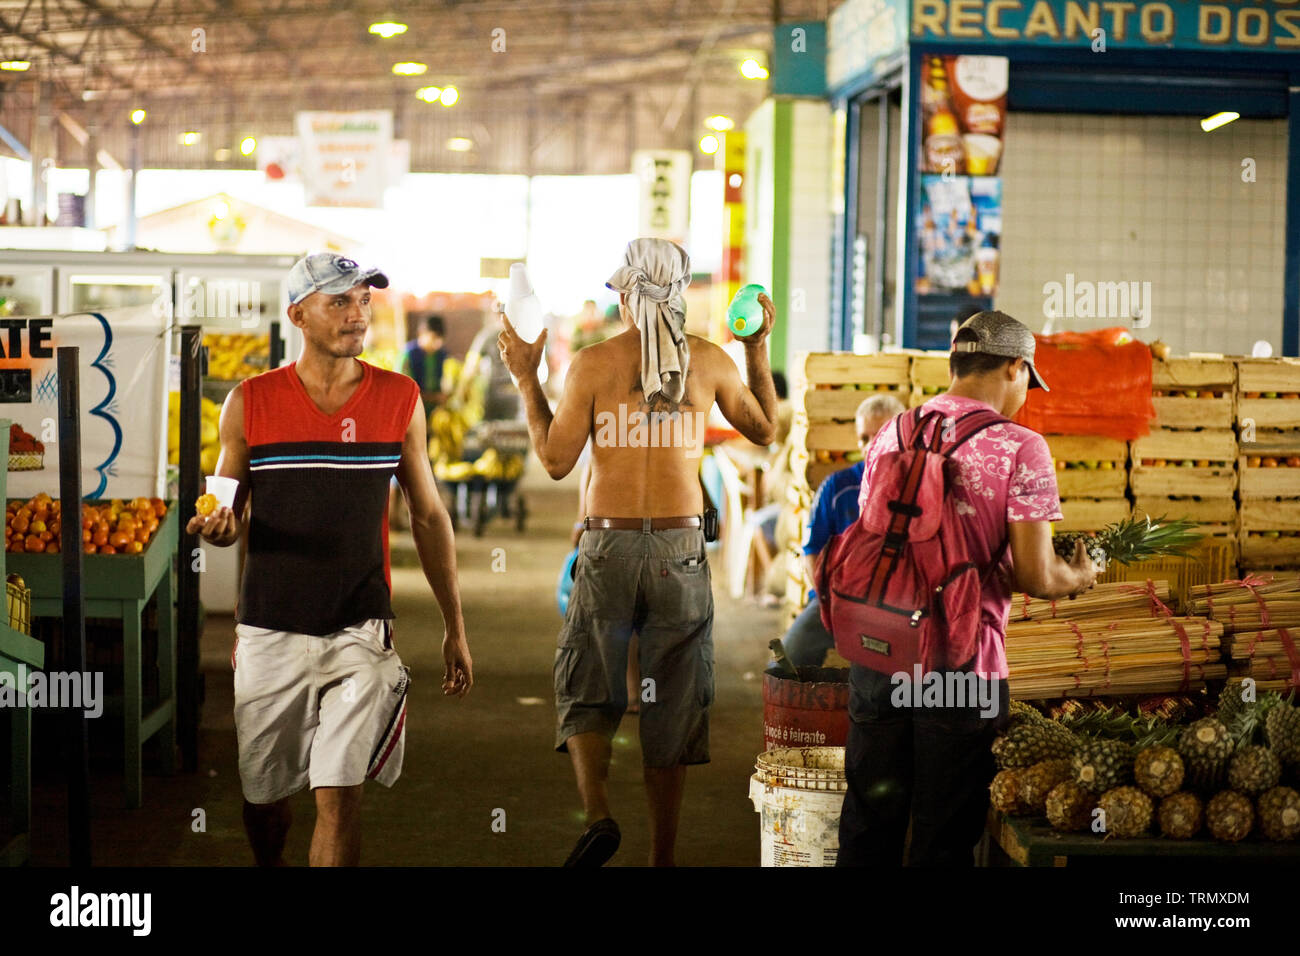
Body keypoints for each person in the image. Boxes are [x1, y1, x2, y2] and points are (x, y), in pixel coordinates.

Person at [498, 237, 778, 867]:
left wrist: (525, 377)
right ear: (678, 295)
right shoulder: (708, 362)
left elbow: (553, 458)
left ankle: (598, 813)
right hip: (681, 548)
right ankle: (662, 857)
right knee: (672, 697)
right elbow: (766, 430)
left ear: (626, 295)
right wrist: (755, 348)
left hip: (609, 543)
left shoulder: (594, 364)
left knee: (591, 684)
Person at [189, 252, 473, 867]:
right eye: (339, 301)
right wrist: (216, 528)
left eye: (364, 299)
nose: (358, 314)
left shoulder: (400, 399)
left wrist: (454, 624)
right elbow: (224, 511)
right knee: (264, 797)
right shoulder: (249, 403)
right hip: (269, 627)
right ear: (298, 314)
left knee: (339, 796)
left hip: (360, 628)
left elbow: (427, 515)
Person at [836, 310, 1097, 867]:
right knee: (943, 834)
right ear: (1014, 367)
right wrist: (1079, 576)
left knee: (868, 822)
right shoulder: (1020, 447)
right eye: (1028, 378)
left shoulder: (892, 431)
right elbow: (1035, 575)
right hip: (962, 667)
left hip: (879, 651)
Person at [773, 393, 905, 671]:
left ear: (901, 436)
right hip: (836, 604)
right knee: (781, 666)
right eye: (863, 438)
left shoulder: (917, 489)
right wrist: (826, 600)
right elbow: (811, 551)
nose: (870, 446)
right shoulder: (837, 486)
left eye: (879, 436)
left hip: (897, 609)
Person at [399, 314, 448, 411]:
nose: (437, 344)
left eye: (440, 339)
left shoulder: (440, 355)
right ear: (421, 333)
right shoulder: (408, 354)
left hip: (434, 411)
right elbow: (403, 391)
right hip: (412, 410)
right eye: (433, 338)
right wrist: (433, 397)